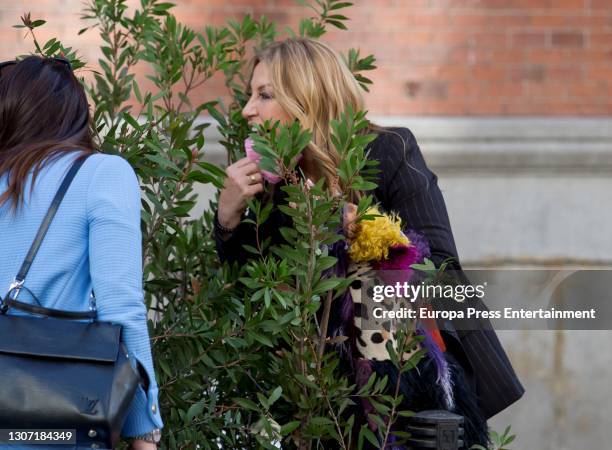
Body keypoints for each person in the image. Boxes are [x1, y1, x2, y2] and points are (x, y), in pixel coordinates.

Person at [214, 38, 524, 445]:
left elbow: (441, 266)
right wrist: (228, 220)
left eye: (264, 95)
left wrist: (352, 230)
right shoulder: (277, 187)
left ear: (309, 98)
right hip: (320, 404)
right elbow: (250, 291)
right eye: (250, 95)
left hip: (406, 391)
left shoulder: (389, 150)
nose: (248, 110)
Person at [0, 56, 162, 448]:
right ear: (73, 113)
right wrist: (145, 429)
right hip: (58, 421)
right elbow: (121, 310)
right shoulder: (102, 174)